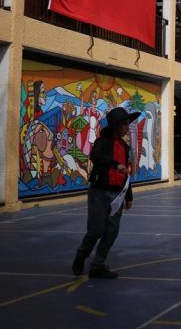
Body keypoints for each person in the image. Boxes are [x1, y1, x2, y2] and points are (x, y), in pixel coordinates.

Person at [72, 107, 137, 278]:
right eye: (124, 124)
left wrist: (128, 196)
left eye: (128, 124)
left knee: (111, 231)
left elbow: (126, 173)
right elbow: (95, 156)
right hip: (99, 192)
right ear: (115, 125)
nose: (127, 127)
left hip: (117, 195)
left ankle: (98, 265)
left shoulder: (125, 147)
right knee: (96, 229)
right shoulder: (102, 142)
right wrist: (115, 165)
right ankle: (81, 255)